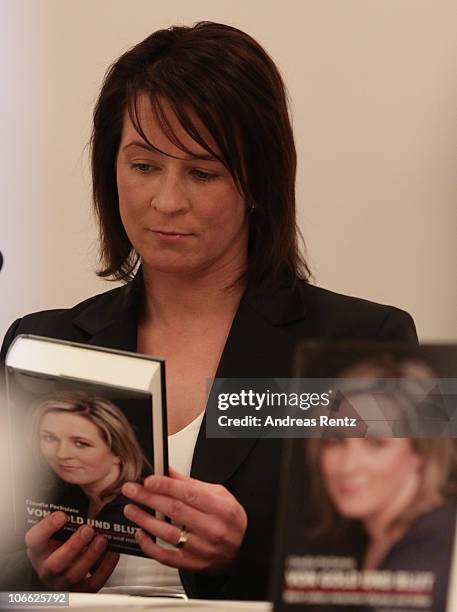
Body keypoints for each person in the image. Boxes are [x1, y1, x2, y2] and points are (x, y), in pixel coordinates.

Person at [0, 21, 417, 600]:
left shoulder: (368, 342)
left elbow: (401, 585)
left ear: (257, 185)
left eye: (202, 173)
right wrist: (36, 579)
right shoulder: (37, 343)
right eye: (143, 167)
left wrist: (242, 557)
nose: (167, 202)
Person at [307, 371, 457, 611]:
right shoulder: (368, 537)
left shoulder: (432, 553)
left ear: (421, 451)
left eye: (376, 443)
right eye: (336, 441)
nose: (348, 466)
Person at [31, 391, 150, 527]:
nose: (61, 454)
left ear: (118, 452)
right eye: (50, 438)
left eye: (81, 443)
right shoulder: (70, 496)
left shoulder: (133, 512)